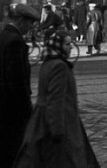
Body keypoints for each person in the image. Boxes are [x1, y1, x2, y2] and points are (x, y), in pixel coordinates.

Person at [13, 30, 100, 167]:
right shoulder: (60, 66)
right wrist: (58, 130)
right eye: (67, 44)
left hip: (42, 119)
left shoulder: (47, 63)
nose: (70, 47)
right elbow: (56, 100)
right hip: (61, 121)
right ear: (58, 46)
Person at [0, 3, 40, 167]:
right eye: (30, 23)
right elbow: (17, 82)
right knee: (14, 155)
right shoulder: (15, 42)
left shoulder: (3, 36)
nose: (31, 27)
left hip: (2, 106)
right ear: (22, 21)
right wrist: (27, 111)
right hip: (12, 111)